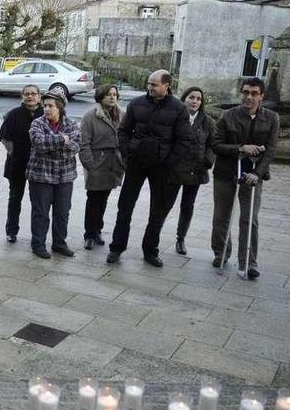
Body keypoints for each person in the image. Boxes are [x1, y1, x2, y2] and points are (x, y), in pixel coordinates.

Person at [106, 70, 193, 267]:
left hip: (162, 167)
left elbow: (184, 139)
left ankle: (150, 250)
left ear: (166, 85)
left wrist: (169, 161)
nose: (150, 88)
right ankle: (116, 248)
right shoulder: (137, 103)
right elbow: (124, 131)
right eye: (149, 84)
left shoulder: (179, 109)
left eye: (154, 84)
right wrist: (128, 153)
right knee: (125, 207)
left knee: (158, 210)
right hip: (136, 162)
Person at [210, 77, 279, 279]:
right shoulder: (227, 115)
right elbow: (216, 144)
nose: (249, 97)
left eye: (254, 93)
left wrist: (257, 175)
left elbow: (271, 150)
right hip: (226, 171)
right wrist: (241, 148)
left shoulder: (272, 118)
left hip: (253, 173)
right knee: (221, 216)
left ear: (262, 96)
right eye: (246, 92)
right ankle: (220, 252)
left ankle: (249, 262)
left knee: (250, 219)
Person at [27, 90, 81, 259]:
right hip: (41, 176)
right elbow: (40, 144)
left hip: (65, 176)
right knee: (41, 212)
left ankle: (59, 243)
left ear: (60, 107)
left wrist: (55, 144)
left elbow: (75, 146)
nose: (47, 109)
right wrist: (61, 140)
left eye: (51, 106)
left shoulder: (71, 124)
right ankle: (38, 244)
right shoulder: (37, 123)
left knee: (63, 211)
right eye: (45, 106)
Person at [79, 84, 125, 251]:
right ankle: (89, 234)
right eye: (108, 95)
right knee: (93, 199)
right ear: (100, 97)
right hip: (97, 163)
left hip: (114, 164)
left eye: (114, 94)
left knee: (103, 199)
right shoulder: (91, 116)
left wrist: (123, 160)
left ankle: (97, 229)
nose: (112, 97)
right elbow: (84, 143)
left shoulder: (122, 115)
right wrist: (90, 164)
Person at [171, 86, 215, 255]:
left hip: (195, 170)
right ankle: (154, 235)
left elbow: (213, 144)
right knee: (165, 203)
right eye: (191, 97)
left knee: (187, 205)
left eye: (198, 99)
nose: (195, 101)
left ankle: (181, 238)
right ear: (184, 99)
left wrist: (207, 161)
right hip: (175, 169)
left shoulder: (207, 121)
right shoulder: (176, 117)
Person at [0, 85, 43, 243]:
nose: (30, 96)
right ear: (22, 96)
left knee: (38, 201)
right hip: (17, 164)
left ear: (39, 96)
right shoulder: (13, 114)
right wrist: (13, 152)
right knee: (15, 198)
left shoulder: (44, 113)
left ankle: (37, 234)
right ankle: (11, 231)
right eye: (27, 94)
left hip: (40, 165)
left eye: (33, 94)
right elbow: (5, 137)